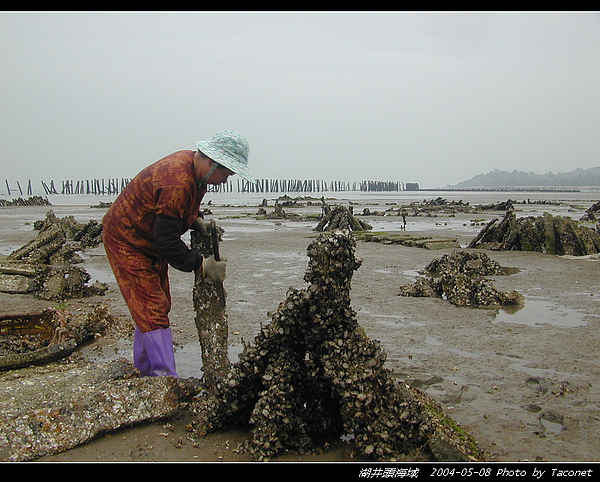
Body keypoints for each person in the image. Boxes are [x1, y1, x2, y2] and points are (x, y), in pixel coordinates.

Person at [102, 130, 254, 377]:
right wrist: (201, 265)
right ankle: (162, 379)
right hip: (127, 239)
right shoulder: (178, 182)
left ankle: (145, 370)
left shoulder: (194, 171)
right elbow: (167, 243)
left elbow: (173, 211)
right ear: (211, 162)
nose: (226, 180)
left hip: (147, 237)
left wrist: (193, 220)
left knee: (157, 302)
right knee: (152, 307)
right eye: (226, 172)